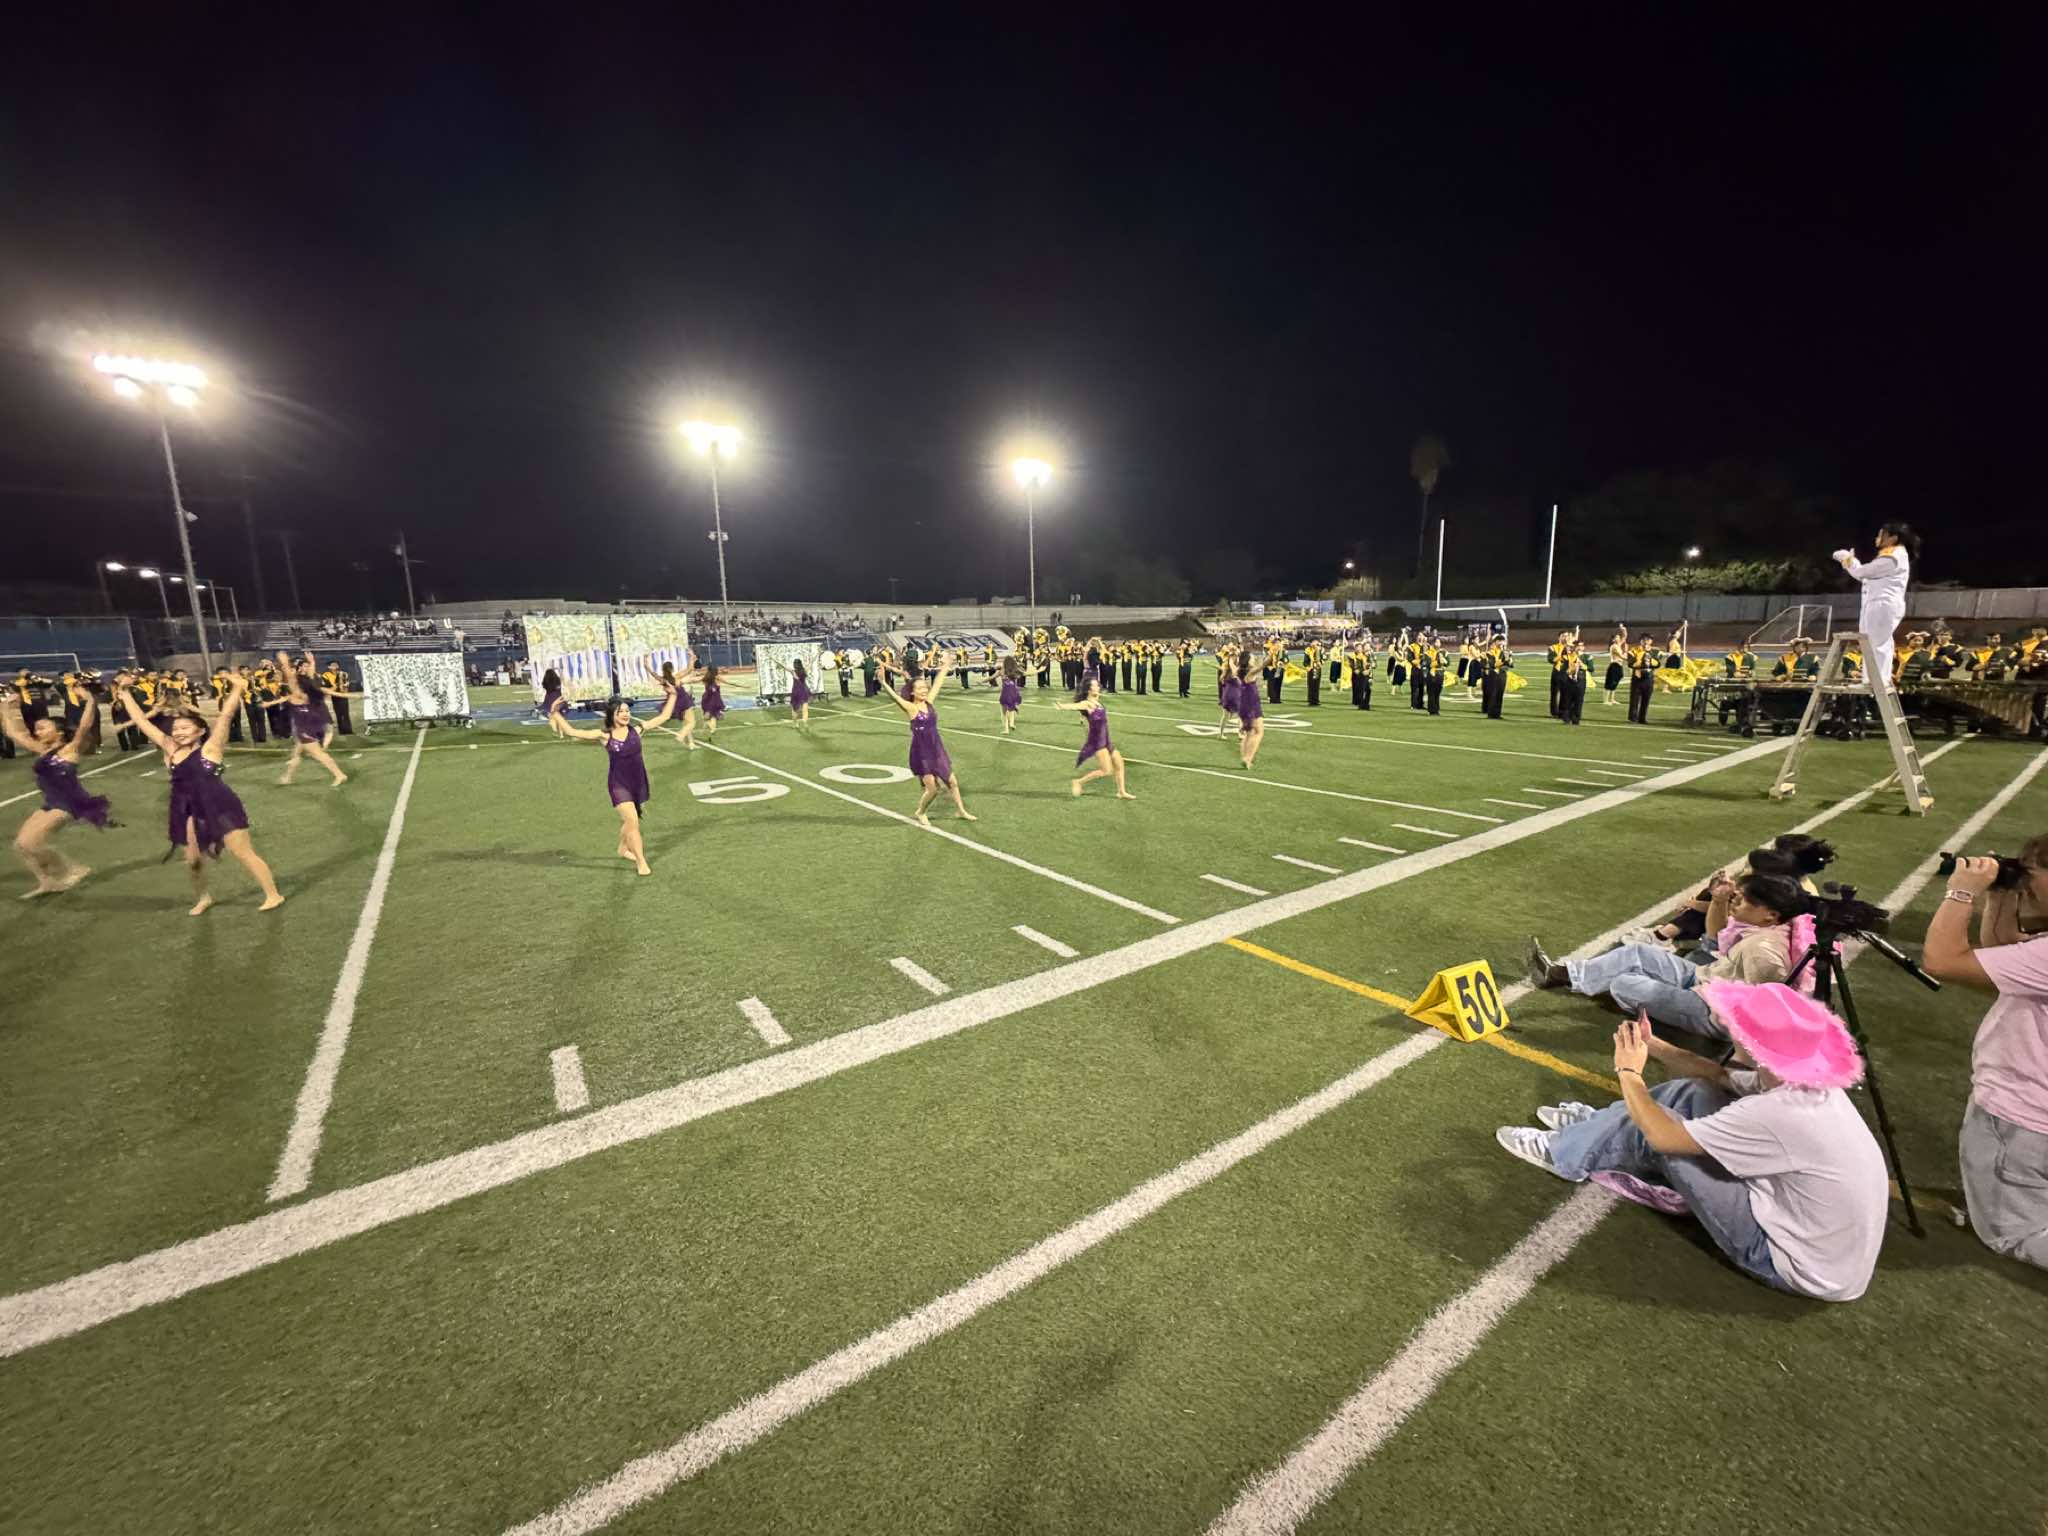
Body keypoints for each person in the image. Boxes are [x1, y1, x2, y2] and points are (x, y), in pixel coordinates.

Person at [1495, 986, 1887, 1301]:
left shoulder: (1779, 1112)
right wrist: (1655, 1045)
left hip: (1789, 1262)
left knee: (1662, 1128)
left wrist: (1628, 1071)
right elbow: (1718, 1077)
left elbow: (1663, 1136)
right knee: (1693, 1093)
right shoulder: (1801, 1084)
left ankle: (1563, 1154)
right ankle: (1594, 1127)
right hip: (1821, 1248)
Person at [1919, 840, 2048, 1269]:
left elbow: (1941, 961)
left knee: (2012, 1234)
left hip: (2023, 1118)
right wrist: (2000, 896)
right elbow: (2004, 957)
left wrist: (1961, 892)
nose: (2027, 881)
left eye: (2033, 872)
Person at [1524, 871, 1810, 1033]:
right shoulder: (1766, 927)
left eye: (1743, 901)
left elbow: (1762, 1014)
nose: (1737, 902)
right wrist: (1719, 900)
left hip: (1712, 1010)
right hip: (1707, 978)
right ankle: (1560, 974)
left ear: (1770, 914)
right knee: (1637, 952)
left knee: (1624, 983)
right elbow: (1714, 939)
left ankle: (1639, 996)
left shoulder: (1764, 953)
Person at [117, 671, 284, 915]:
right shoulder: (170, 748)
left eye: (185, 728)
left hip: (220, 805)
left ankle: (273, 894)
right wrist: (124, 693)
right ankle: (204, 897)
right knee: (193, 861)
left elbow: (226, 716)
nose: (178, 732)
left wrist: (238, 688)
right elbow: (141, 721)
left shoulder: (211, 749)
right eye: (176, 729)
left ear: (199, 731)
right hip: (188, 808)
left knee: (242, 852)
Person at [554, 690, 678, 876]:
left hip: (638, 781)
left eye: (627, 711)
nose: (626, 714)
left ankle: (622, 847)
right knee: (632, 821)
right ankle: (641, 862)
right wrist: (555, 713)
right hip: (618, 785)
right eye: (621, 712)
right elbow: (572, 732)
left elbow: (664, 716)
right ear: (612, 714)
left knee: (631, 821)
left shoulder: (637, 730)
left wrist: (673, 695)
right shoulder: (605, 736)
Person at [3, 686, 112, 897]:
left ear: (59, 731)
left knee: (31, 843)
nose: (38, 732)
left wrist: (90, 700)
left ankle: (73, 869)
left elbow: (85, 724)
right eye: (37, 729)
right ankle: (48, 882)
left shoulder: (69, 749)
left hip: (69, 802)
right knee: (20, 846)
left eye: (43, 728)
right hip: (51, 802)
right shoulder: (41, 750)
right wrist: (5, 708)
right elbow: (13, 733)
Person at [877, 654, 976, 827]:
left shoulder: (929, 702)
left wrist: (946, 666)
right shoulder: (911, 708)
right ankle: (920, 812)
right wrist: (883, 683)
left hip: (937, 748)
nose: (924, 690)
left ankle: (961, 810)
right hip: (922, 752)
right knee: (933, 789)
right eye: (920, 688)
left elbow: (937, 683)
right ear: (912, 692)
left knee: (952, 782)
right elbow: (896, 698)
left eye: (925, 687)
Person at [1833, 522, 1916, 689]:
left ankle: (1876, 682)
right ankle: (1874, 680)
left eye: (1881, 534)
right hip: (1880, 603)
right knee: (1876, 642)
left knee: (1876, 643)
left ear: (1893, 538)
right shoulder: (1892, 554)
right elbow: (1866, 574)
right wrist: (1851, 561)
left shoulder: (1892, 555)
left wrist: (1848, 559)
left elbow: (1863, 572)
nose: (1877, 538)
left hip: (1882, 604)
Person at [276, 651, 353, 788]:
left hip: (306, 725)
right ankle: (287, 777)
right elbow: (307, 676)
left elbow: (291, 676)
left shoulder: (298, 690)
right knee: (296, 754)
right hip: (307, 723)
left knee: (317, 754)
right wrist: (311, 662)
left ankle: (339, 775)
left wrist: (284, 662)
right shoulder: (306, 686)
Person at [1056, 675, 1134, 800]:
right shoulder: (1087, 704)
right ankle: (1079, 782)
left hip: (1106, 739)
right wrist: (1063, 706)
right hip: (1097, 742)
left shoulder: (1098, 701)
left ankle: (1121, 792)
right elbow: (1076, 706)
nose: (1098, 687)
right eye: (1095, 685)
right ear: (1088, 689)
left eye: (1097, 685)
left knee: (1119, 763)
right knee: (1106, 770)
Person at [1235, 652, 1266, 769]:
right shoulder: (1250, 673)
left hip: (1243, 702)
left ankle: (1245, 757)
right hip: (1251, 704)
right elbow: (1262, 666)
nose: (1254, 659)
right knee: (1258, 732)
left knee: (1249, 733)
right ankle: (1248, 758)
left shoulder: (1239, 671)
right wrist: (1273, 654)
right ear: (1247, 661)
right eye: (1252, 658)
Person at [319, 660, 355, 734]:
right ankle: (342, 730)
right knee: (339, 713)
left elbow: (347, 682)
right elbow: (327, 686)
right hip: (335, 695)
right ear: (329, 667)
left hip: (343, 694)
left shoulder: (343, 673)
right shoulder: (326, 675)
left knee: (346, 713)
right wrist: (336, 686)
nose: (335, 666)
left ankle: (348, 730)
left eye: (336, 664)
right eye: (333, 665)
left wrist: (346, 684)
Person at [539, 667, 571, 737]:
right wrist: (559, 670)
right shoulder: (558, 680)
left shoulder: (546, 682)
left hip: (549, 700)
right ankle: (561, 734)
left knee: (551, 716)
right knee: (561, 717)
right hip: (559, 699)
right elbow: (562, 679)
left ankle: (555, 731)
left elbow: (544, 687)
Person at [997, 657, 1023, 733]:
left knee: (1004, 712)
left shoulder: (1002, 671)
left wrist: (982, 681)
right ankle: (1011, 724)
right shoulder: (1015, 671)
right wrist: (1037, 671)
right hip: (1014, 692)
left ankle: (1006, 729)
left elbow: (991, 677)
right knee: (1011, 709)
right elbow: (1025, 673)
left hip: (1005, 693)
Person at [700, 664, 727, 734]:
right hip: (714, 699)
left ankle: (710, 728)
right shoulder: (717, 678)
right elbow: (728, 682)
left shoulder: (706, 677)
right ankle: (710, 727)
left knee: (710, 716)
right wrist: (743, 686)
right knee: (713, 715)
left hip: (706, 698)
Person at [1604, 627, 1627, 707]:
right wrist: (1630, 659)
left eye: (1619, 637)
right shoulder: (1614, 646)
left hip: (1619, 666)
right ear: (1613, 640)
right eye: (1616, 637)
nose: (1619, 638)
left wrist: (1623, 629)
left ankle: (1612, 699)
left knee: (1615, 682)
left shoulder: (1618, 645)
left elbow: (1625, 637)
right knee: (1610, 683)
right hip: (1614, 666)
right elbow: (1621, 656)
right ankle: (1606, 700)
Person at [788, 659, 813, 731]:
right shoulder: (804, 670)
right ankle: (804, 722)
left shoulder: (793, 671)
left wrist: (774, 660)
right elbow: (811, 662)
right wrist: (817, 654)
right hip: (803, 691)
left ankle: (795, 723)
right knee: (805, 708)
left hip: (796, 691)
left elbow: (783, 666)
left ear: (794, 665)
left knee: (795, 709)